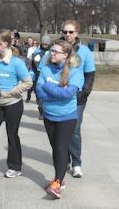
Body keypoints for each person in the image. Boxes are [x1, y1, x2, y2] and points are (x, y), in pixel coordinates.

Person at [36, 39, 84, 199]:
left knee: (61, 147)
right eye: (51, 50)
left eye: (56, 51)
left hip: (67, 117)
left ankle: (57, 181)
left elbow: (67, 94)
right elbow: (38, 90)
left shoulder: (75, 71)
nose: (52, 53)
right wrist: (55, 93)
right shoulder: (46, 67)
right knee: (55, 148)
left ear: (66, 55)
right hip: (49, 115)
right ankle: (60, 179)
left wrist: (48, 88)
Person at [0, 30, 32, 178]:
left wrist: (12, 92)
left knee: (12, 135)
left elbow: (28, 82)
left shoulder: (17, 62)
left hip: (13, 104)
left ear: (4, 44)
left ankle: (15, 166)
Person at [63, 20, 95, 178]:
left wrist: (84, 93)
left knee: (74, 129)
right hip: (61, 95)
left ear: (76, 33)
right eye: (65, 32)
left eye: (70, 32)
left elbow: (90, 75)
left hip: (77, 97)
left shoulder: (85, 52)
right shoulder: (59, 49)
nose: (67, 35)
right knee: (63, 130)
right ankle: (64, 160)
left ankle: (76, 163)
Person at [31, 35, 52, 119]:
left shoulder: (51, 52)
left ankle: (46, 110)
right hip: (39, 73)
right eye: (43, 44)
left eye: (46, 44)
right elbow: (33, 63)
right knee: (38, 91)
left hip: (48, 74)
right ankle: (41, 111)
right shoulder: (37, 52)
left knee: (47, 92)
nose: (45, 46)